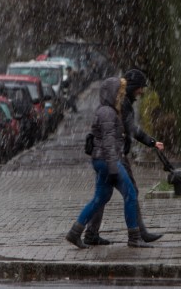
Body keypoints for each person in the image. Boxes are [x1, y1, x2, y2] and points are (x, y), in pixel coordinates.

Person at [65, 77, 151, 248]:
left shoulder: (108, 111)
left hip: (102, 160)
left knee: (101, 198)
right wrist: (113, 168)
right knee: (131, 195)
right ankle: (134, 238)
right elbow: (108, 143)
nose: (121, 95)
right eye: (119, 92)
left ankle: (75, 233)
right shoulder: (107, 113)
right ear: (112, 93)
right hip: (107, 161)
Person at [83, 68, 165, 245]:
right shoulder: (122, 104)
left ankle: (90, 234)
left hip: (107, 155)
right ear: (133, 87)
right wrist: (151, 142)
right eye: (140, 87)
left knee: (102, 196)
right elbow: (131, 129)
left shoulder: (119, 102)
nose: (142, 91)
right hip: (114, 156)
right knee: (130, 192)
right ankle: (138, 234)